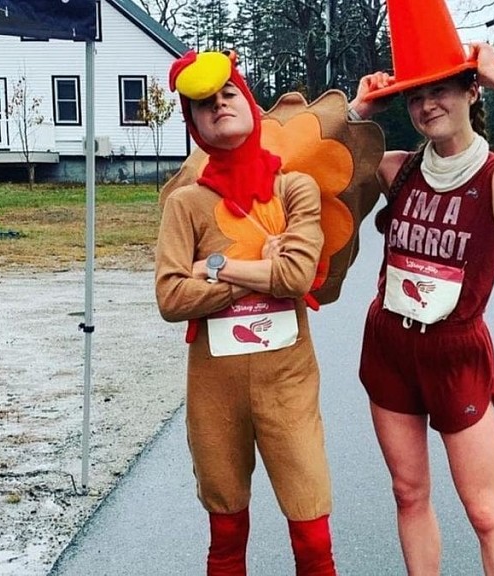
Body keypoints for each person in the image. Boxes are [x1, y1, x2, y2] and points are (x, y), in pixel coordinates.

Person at [347, 6, 494, 574]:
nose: (427, 105)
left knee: (484, 511)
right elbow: (319, 165)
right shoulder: (397, 169)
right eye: (415, 97)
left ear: (469, 92)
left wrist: (493, 73)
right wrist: (358, 110)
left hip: (455, 353)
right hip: (389, 344)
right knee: (409, 493)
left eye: (441, 90)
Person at [155, 49, 336, 576]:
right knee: (227, 533)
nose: (219, 105)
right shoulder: (185, 204)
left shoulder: (295, 188)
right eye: (204, 103)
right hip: (216, 391)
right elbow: (170, 298)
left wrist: (213, 269)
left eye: (228, 93)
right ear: (193, 123)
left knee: (312, 534)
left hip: (288, 385)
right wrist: (256, 271)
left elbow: (297, 276)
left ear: (250, 103)